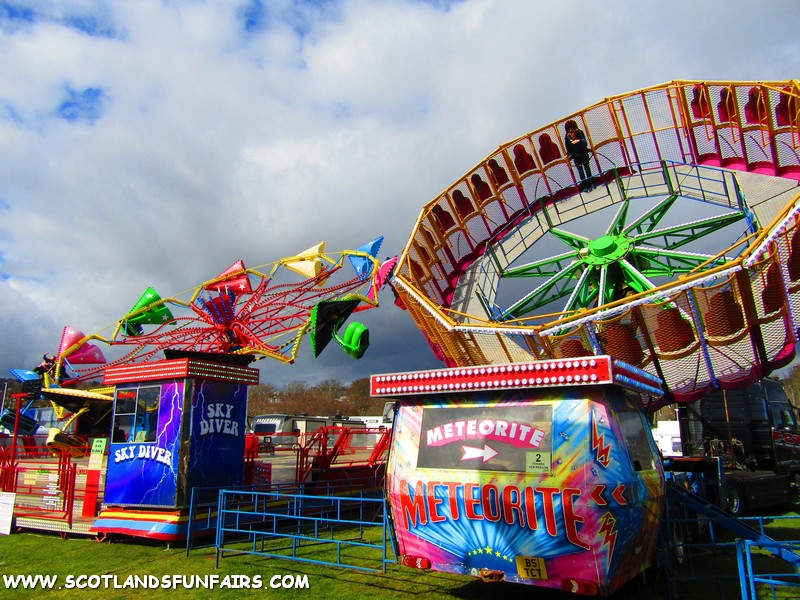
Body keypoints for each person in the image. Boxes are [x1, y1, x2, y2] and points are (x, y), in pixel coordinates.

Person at [564, 120, 593, 189]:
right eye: (570, 130)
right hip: (576, 157)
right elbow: (568, 149)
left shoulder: (580, 132)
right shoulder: (567, 137)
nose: (572, 132)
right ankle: (585, 185)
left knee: (587, 169)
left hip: (584, 154)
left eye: (573, 130)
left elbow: (585, 143)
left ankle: (591, 183)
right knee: (581, 172)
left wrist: (579, 141)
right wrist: (567, 155)